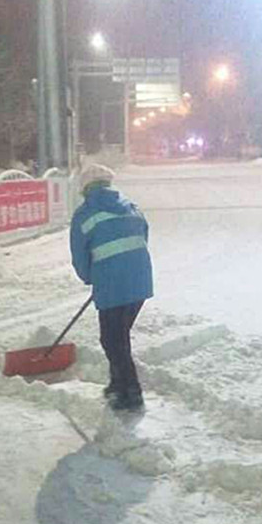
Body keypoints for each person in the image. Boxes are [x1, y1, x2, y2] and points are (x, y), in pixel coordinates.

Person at [70, 163, 153, 411]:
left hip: (113, 283)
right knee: (118, 337)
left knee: (112, 339)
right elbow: (143, 235)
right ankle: (118, 385)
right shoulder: (130, 206)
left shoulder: (84, 214)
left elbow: (80, 256)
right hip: (140, 281)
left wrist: (90, 277)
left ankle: (131, 392)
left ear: (85, 188)